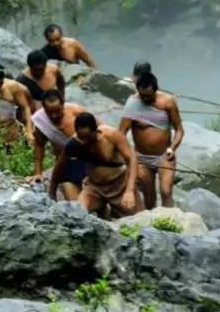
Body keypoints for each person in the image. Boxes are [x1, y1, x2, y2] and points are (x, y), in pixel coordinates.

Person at [51, 112, 141, 218]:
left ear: (96, 131)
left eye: (88, 137)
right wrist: (52, 191)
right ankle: (102, 211)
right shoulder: (74, 143)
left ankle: (112, 213)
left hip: (119, 184)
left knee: (136, 220)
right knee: (78, 213)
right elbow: (59, 166)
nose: (85, 140)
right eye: (82, 137)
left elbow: (132, 159)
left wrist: (129, 191)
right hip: (94, 187)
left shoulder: (111, 135)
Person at [119, 71, 184, 209]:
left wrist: (172, 148)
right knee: (149, 195)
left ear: (156, 89)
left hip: (164, 155)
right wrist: (129, 156)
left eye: (149, 96)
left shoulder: (168, 101)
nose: (146, 99)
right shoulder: (132, 103)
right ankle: (151, 225)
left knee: (166, 191)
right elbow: (121, 133)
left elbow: (179, 130)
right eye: (143, 96)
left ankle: (169, 222)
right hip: (141, 158)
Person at [28, 90, 88, 201]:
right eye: (49, 112)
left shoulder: (78, 112)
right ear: (44, 108)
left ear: (63, 104)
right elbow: (39, 145)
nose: (54, 115)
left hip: (89, 159)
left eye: (57, 111)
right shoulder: (41, 119)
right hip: (66, 163)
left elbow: (99, 133)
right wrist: (38, 173)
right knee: (73, 198)